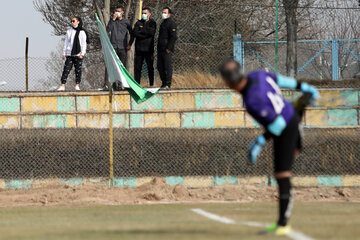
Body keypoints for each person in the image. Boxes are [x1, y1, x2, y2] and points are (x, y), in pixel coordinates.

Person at [219, 58, 319, 236]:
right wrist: (304, 86)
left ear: (228, 84)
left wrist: (259, 142)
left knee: (282, 174)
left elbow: (278, 124)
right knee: (283, 170)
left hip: (287, 125)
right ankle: (300, 107)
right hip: (289, 116)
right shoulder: (259, 74)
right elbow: (282, 81)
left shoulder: (252, 100)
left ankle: (283, 224)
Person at [103, 7, 134, 90]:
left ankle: (120, 85)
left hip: (122, 47)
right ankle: (106, 84)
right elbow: (107, 29)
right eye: (116, 11)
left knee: (121, 66)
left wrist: (129, 44)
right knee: (109, 65)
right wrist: (112, 20)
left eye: (119, 11)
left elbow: (132, 34)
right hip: (113, 47)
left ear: (123, 12)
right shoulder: (112, 21)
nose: (117, 13)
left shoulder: (126, 22)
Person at [58, 17, 88, 91]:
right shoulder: (69, 31)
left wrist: (82, 53)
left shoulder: (82, 31)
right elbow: (66, 42)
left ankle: (77, 85)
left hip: (78, 54)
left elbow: (84, 43)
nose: (72, 22)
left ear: (78, 22)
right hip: (69, 53)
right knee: (66, 69)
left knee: (78, 70)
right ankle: (62, 85)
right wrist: (64, 53)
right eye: (71, 21)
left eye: (73, 21)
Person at [133, 7, 156, 87]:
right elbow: (135, 33)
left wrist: (141, 31)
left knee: (150, 67)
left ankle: (151, 84)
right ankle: (137, 84)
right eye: (142, 13)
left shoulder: (152, 22)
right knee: (138, 68)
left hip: (149, 49)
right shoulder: (138, 23)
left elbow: (152, 32)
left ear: (149, 14)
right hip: (139, 49)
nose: (143, 15)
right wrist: (145, 33)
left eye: (145, 13)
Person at [157, 7, 177, 89]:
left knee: (167, 66)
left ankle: (168, 84)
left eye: (165, 12)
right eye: (162, 12)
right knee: (160, 66)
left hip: (167, 49)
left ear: (169, 14)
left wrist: (169, 47)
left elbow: (173, 37)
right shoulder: (163, 23)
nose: (163, 14)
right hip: (160, 49)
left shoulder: (171, 23)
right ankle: (163, 83)